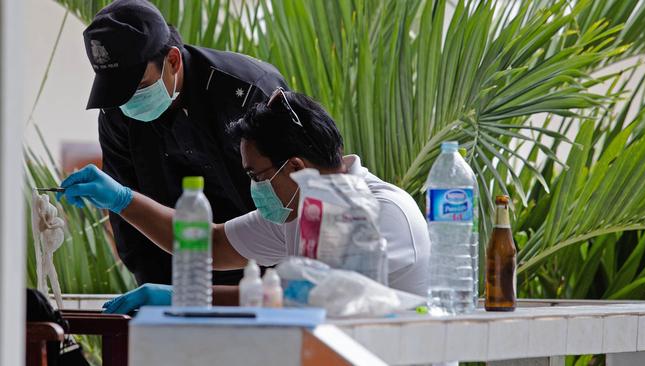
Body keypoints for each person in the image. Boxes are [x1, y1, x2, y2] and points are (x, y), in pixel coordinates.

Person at [58, 90, 431, 314]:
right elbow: (211, 243)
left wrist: (186, 298)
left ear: (296, 168)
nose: (254, 188)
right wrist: (122, 199)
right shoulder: (299, 209)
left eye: (256, 176)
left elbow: (317, 299)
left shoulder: (382, 213)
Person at [82, 0, 288, 286]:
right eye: (117, 91)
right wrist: (156, 293)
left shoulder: (246, 92)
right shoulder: (117, 112)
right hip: (178, 275)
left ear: (173, 61)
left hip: (265, 270)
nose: (127, 102)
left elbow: (289, 198)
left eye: (137, 86)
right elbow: (129, 218)